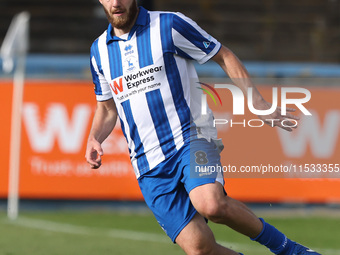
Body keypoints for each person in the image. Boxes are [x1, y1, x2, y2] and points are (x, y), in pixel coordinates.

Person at [85, 0, 321, 254]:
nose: (116, 3)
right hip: (147, 163)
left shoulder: (168, 24)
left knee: (211, 204)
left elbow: (223, 55)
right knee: (199, 247)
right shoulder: (99, 50)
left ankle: (291, 251)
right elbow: (108, 108)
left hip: (190, 136)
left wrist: (257, 101)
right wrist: (94, 137)